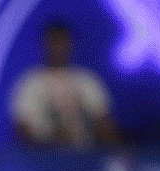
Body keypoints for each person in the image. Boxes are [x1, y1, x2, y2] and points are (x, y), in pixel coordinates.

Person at [10, 20, 121, 148]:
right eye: (54, 42)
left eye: (62, 42)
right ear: (45, 45)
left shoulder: (86, 80)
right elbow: (22, 129)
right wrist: (53, 140)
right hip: (43, 159)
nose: (59, 48)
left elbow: (104, 123)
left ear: (70, 44)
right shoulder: (30, 83)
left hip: (85, 157)